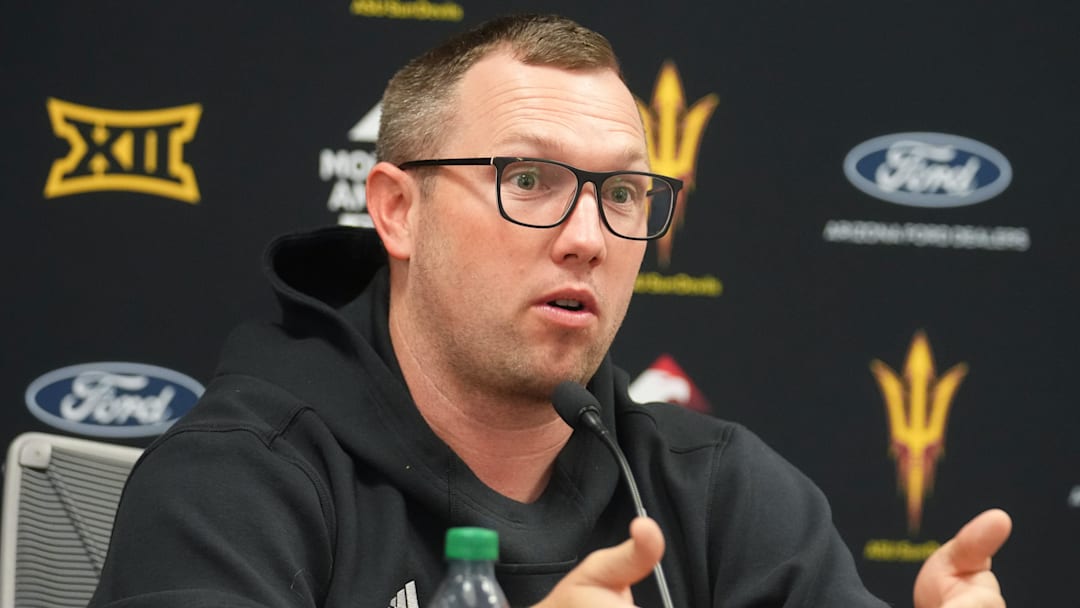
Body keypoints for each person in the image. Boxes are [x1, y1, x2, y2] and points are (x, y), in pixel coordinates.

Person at [89, 13, 1011, 608]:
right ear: (397, 210)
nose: (588, 238)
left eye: (621, 195)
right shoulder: (238, 483)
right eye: (529, 180)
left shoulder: (716, 493)